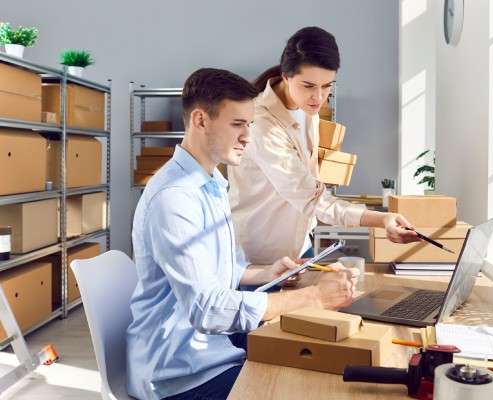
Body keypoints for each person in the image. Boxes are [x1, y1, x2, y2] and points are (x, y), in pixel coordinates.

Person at [126, 68, 359, 400]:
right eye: (237, 124)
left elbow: (215, 273)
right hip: (180, 375)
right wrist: (313, 297)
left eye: (250, 124)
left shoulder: (211, 183)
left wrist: (264, 273)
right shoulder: (175, 197)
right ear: (200, 120)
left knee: (320, 363)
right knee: (302, 387)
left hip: (210, 350)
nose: (248, 136)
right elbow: (207, 308)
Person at [228, 26, 420, 265]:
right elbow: (312, 199)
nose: (319, 97)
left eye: (327, 85)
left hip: (299, 246)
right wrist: (381, 220)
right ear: (286, 77)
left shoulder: (308, 109)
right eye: (308, 86)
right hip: (260, 257)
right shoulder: (262, 124)